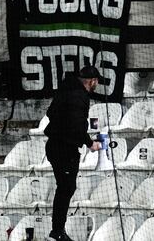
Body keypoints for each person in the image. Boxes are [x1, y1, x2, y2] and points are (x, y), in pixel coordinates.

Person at [45, 66, 102, 241]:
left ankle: (58, 231)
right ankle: (57, 232)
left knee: (65, 187)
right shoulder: (80, 96)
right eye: (97, 82)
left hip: (54, 146)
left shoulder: (66, 91)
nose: (97, 85)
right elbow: (76, 124)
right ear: (92, 81)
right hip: (65, 149)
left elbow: (50, 112)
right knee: (66, 188)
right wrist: (90, 143)